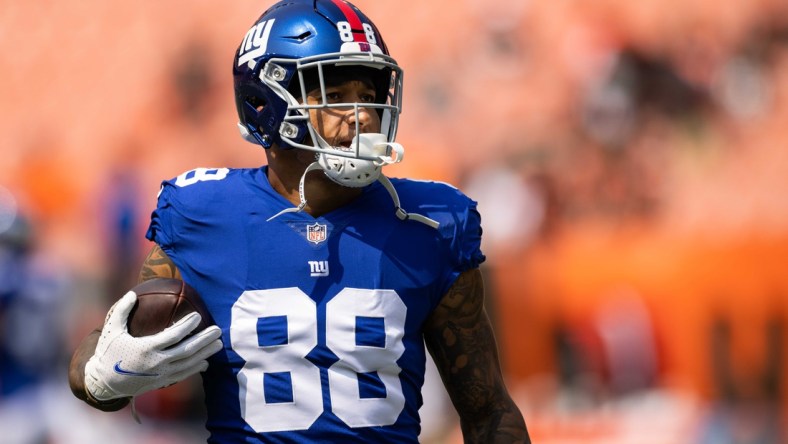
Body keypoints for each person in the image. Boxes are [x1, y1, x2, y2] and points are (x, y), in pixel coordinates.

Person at [68, 0, 530, 442]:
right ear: (267, 103)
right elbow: (100, 356)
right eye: (336, 96)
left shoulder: (429, 223)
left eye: (368, 95)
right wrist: (105, 374)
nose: (364, 115)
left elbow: (488, 410)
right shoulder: (205, 214)